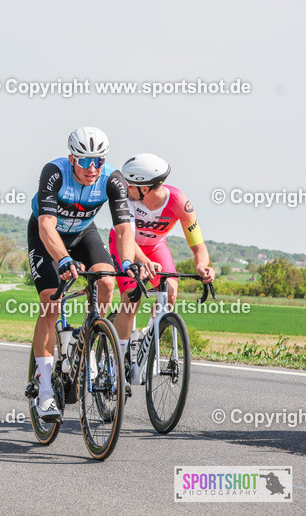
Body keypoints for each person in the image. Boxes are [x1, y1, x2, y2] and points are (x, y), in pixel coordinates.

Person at [28, 127, 142, 421]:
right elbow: (46, 226)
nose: (93, 168)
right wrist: (64, 260)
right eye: (85, 161)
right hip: (48, 236)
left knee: (106, 281)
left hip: (83, 234)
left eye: (99, 161)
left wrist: (127, 262)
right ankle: (44, 391)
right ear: (72, 158)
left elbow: (125, 228)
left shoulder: (112, 179)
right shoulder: (54, 171)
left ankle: (90, 337)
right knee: (50, 304)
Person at [109, 154, 215, 372]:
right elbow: (126, 236)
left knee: (170, 292)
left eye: (130, 185)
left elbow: (198, 246)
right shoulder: (127, 199)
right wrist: (143, 262)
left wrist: (202, 265)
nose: (126, 188)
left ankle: (147, 338)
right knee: (131, 297)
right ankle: (117, 361)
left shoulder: (178, 202)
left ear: (145, 188)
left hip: (156, 247)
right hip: (125, 245)